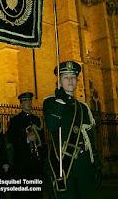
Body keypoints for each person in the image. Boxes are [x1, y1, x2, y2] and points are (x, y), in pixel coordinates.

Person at [43, 61, 102, 199]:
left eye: (73, 77)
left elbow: (89, 137)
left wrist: (97, 164)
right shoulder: (51, 102)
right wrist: (60, 101)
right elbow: (51, 126)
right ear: (59, 82)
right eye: (66, 77)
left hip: (84, 165)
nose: (70, 80)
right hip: (64, 165)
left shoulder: (83, 107)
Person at [7, 92, 47, 199]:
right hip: (21, 162)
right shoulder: (15, 120)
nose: (28, 103)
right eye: (25, 101)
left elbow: (42, 140)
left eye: (29, 100)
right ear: (21, 104)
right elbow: (11, 138)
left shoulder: (37, 119)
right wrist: (26, 139)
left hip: (35, 162)